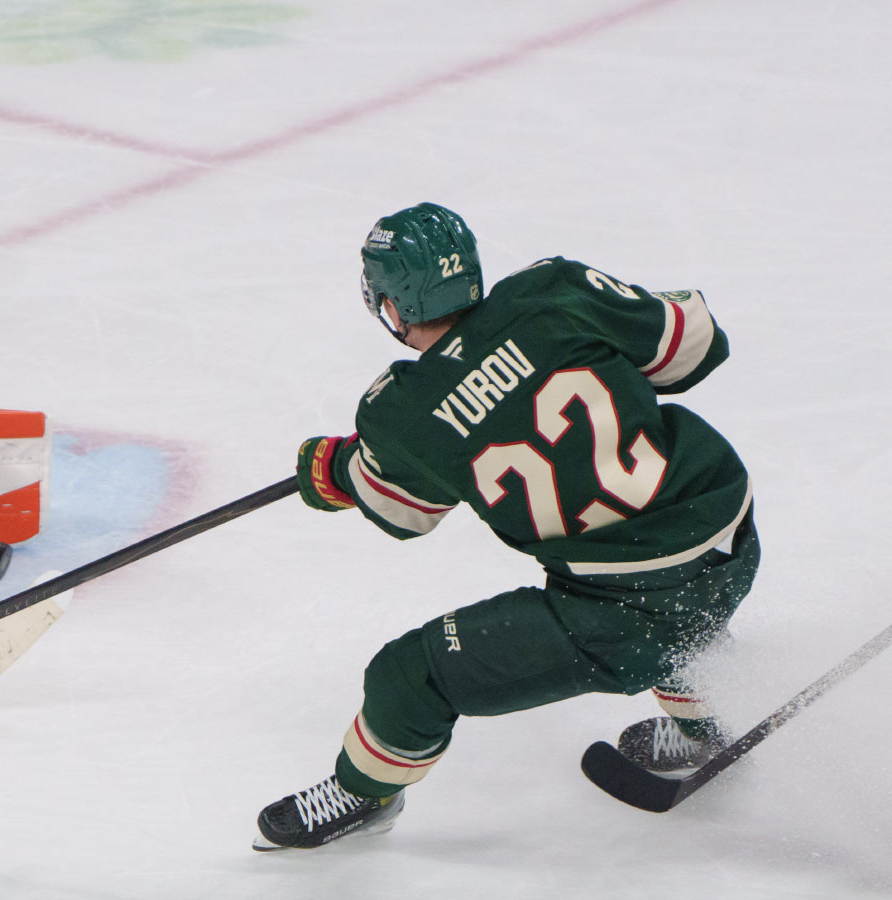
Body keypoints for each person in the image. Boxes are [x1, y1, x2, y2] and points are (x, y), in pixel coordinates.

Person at [254, 202, 758, 851]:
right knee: (683, 613)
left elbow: (403, 513)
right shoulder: (553, 292)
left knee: (410, 676)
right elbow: (694, 342)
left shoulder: (404, 413)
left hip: (621, 610)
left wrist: (335, 470)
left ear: (392, 304)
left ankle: (362, 792)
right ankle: (709, 723)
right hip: (727, 531)